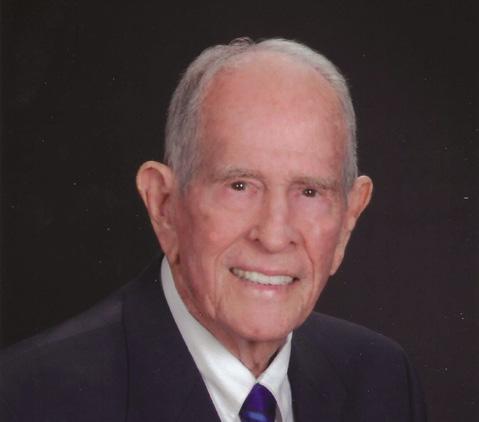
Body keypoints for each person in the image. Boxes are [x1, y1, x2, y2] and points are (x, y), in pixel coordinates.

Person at [0, 37, 427, 421]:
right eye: (239, 186)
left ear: (349, 217)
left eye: (310, 192)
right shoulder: (32, 399)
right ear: (163, 204)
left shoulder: (382, 379)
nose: (274, 236)